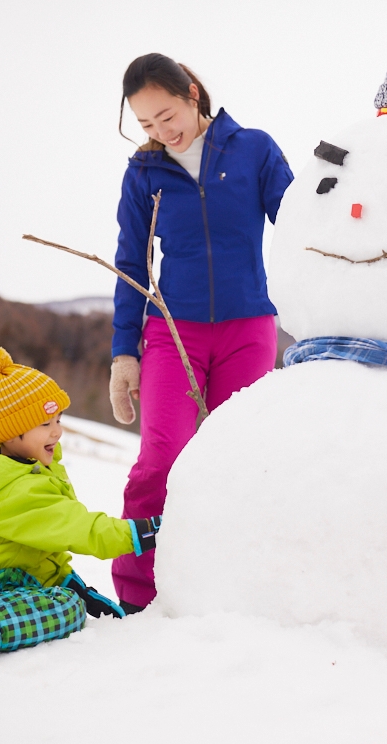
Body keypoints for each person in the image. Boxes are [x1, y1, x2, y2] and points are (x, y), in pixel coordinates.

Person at [108, 53, 293, 613]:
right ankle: (138, 595)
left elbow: (300, 230)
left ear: (192, 93)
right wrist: (124, 354)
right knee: (160, 459)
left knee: (241, 462)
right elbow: (130, 265)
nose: (161, 133)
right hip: (173, 331)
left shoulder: (254, 149)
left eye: (166, 116)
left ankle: (232, 591)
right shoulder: (145, 173)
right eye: (145, 125)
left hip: (249, 329)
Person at [0, 347, 162, 658]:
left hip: (7, 584)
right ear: (11, 432)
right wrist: (141, 532)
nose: (57, 431)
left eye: (58, 419)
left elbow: (40, 548)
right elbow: (76, 527)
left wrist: (74, 584)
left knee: (72, 598)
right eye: (44, 424)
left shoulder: (22, 470)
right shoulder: (15, 488)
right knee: (69, 609)